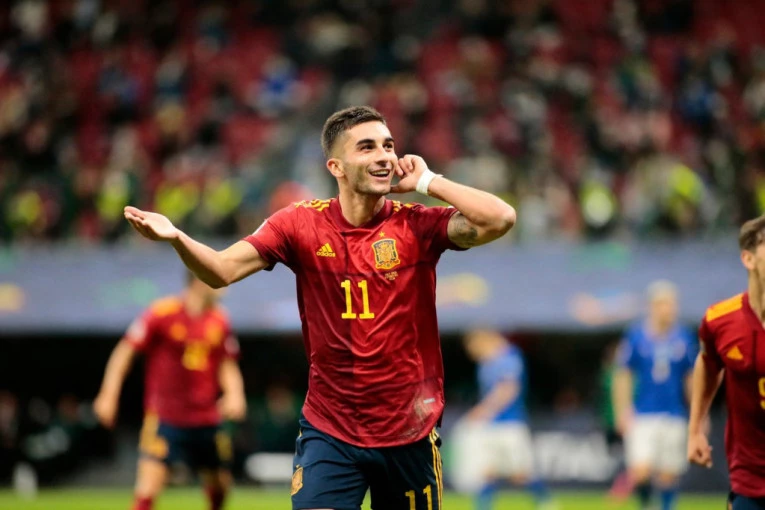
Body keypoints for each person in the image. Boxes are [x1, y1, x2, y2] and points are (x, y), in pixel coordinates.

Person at [121, 105, 516, 510]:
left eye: (388, 145)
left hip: (409, 432)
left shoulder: (416, 224)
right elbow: (221, 270)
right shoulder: (299, 224)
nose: (384, 156)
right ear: (336, 166)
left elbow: (500, 219)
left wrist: (429, 181)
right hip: (331, 430)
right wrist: (177, 237)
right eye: (366, 147)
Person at [93, 272, 246, 510]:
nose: (226, 286)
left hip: (206, 417)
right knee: (148, 488)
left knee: (221, 484)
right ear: (200, 280)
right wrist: (108, 395)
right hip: (165, 418)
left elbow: (227, 363)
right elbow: (124, 352)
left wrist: (235, 394)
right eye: (219, 279)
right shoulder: (162, 313)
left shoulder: (220, 319)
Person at [688, 214, 765, 510]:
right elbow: (708, 365)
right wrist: (695, 428)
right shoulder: (719, 320)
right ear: (748, 259)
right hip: (748, 477)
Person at [612, 281, 696, 510]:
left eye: (671, 304)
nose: (668, 309)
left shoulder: (684, 337)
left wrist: (698, 413)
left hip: (674, 413)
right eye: (663, 304)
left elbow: (691, 377)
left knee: (669, 474)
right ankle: (646, 505)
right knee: (640, 471)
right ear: (652, 306)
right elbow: (623, 375)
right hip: (643, 414)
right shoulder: (636, 336)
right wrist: (622, 410)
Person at [456, 329, 556, 510]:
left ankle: (546, 503)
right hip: (490, 425)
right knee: (487, 471)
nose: (474, 355)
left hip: (511, 424)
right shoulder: (485, 363)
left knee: (521, 473)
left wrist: (484, 410)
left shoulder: (510, 357)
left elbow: (509, 389)